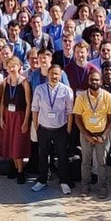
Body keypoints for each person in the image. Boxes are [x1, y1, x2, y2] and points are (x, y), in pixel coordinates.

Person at [31, 64, 74, 194]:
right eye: (51, 73)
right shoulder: (39, 89)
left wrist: (69, 128)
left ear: (60, 76)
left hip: (60, 129)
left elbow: (70, 111)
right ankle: (42, 180)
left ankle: (64, 181)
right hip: (43, 128)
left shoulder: (67, 90)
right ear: (47, 75)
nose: (54, 76)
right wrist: (36, 125)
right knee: (43, 155)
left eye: (56, 74)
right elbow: (35, 109)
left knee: (62, 156)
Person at [73, 68, 111, 198]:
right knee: (86, 161)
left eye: (97, 79)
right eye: (92, 79)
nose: (94, 82)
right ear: (88, 81)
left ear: (101, 81)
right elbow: (77, 118)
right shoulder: (81, 97)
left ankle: (102, 187)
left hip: (102, 134)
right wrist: (86, 135)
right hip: (86, 134)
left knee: (102, 162)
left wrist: (104, 135)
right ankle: (85, 186)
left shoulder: (108, 96)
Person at [0, 56, 33, 184]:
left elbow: (29, 104)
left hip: (20, 116)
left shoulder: (24, 82)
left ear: (19, 67)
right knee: (10, 143)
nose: (12, 68)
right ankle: (15, 168)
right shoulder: (6, 82)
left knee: (18, 145)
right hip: (8, 115)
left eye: (14, 65)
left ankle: (20, 172)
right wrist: (1, 118)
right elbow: (2, 102)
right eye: (9, 66)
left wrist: (25, 122)